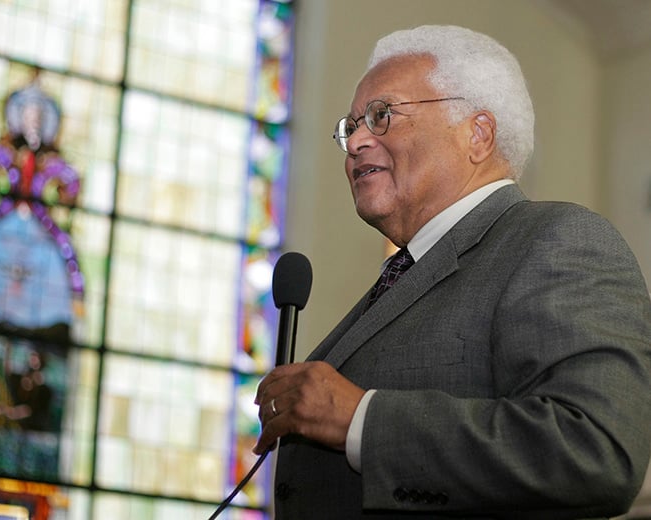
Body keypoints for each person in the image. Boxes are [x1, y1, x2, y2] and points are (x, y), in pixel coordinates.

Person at [253, 25, 651, 519]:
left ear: (478, 134)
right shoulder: (405, 272)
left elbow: (595, 450)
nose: (355, 141)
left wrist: (361, 420)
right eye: (350, 126)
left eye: (381, 116)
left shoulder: (556, 238)